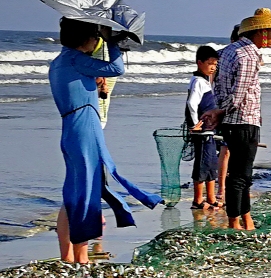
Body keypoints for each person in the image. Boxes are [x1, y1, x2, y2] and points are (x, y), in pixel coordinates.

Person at [48, 16, 160, 263]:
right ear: (86, 38)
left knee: (75, 191)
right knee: (86, 191)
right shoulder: (77, 59)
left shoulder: (60, 61)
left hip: (71, 128)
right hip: (85, 127)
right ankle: (81, 257)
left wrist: (94, 86)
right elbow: (117, 69)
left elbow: (76, 90)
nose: (97, 39)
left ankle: (72, 256)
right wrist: (112, 43)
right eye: (96, 35)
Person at [210, 7, 271, 229]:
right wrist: (220, 111)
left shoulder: (228, 51)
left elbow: (219, 87)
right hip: (243, 119)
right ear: (260, 32)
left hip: (233, 121)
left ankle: (245, 218)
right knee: (241, 175)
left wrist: (219, 111)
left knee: (240, 173)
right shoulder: (248, 55)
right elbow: (239, 93)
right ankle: (234, 221)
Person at [185, 46, 221, 210]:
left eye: (215, 64)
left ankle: (211, 198)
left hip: (209, 130)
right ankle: (198, 200)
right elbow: (192, 104)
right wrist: (194, 125)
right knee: (202, 163)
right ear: (200, 63)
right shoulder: (198, 81)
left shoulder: (204, 80)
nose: (213, 67)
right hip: (203, 131)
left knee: (211, 162)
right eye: (210, 63)